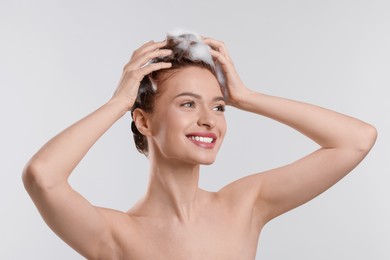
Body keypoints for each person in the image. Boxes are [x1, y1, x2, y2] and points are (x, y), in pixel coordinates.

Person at [22, 29, 377, 259]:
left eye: (219, 106)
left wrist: (247, 97)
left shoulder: (245, 205)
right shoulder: (115, 235)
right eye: (188, 103)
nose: (210, 119)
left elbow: (356, 140)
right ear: (144, 121)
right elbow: (43, 176)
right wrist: (119, 102)